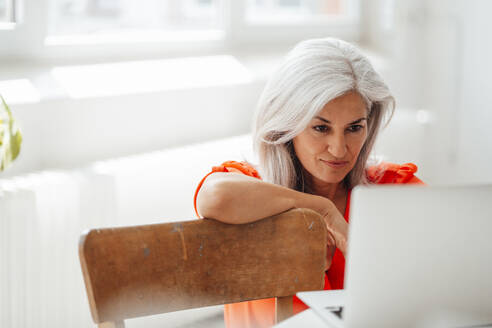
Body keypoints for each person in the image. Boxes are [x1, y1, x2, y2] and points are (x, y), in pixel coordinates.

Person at [193, 37, 424, 328]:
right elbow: (214, 198)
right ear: (288, 124)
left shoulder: (391, 188)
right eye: (320, 128)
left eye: (354, 127)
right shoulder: (250, 186)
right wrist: (322, 209)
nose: (339, 149)